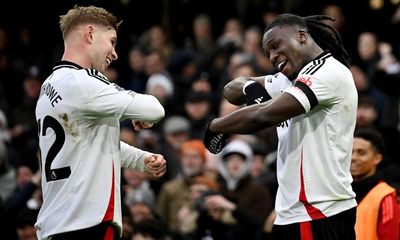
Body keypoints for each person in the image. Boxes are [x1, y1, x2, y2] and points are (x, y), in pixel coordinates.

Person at [203, 13, 358, 239]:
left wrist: (216, 126)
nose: (273, 57)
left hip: (318, 212)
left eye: (276, 46)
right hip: (292, 213)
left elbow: (262, 116)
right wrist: (249, 87)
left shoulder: (326, 72)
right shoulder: (288, 79)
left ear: (302, 36)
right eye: (268, 53)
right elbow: (230, 90)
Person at [34, 5, 166, 240]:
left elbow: (87, 145)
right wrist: (136, 111)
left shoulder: (49, 86)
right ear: (91, 34)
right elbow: (155, 109)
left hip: (57, 224)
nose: (115, 53)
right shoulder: (84, 82)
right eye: (112, 41)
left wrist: (140, 159)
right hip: (88, 223)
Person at [351, 128, 400, 240]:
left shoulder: (386, 196)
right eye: (351, 152)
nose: (353, 158)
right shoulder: (342, 190)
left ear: (377, 158)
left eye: (361, 152)